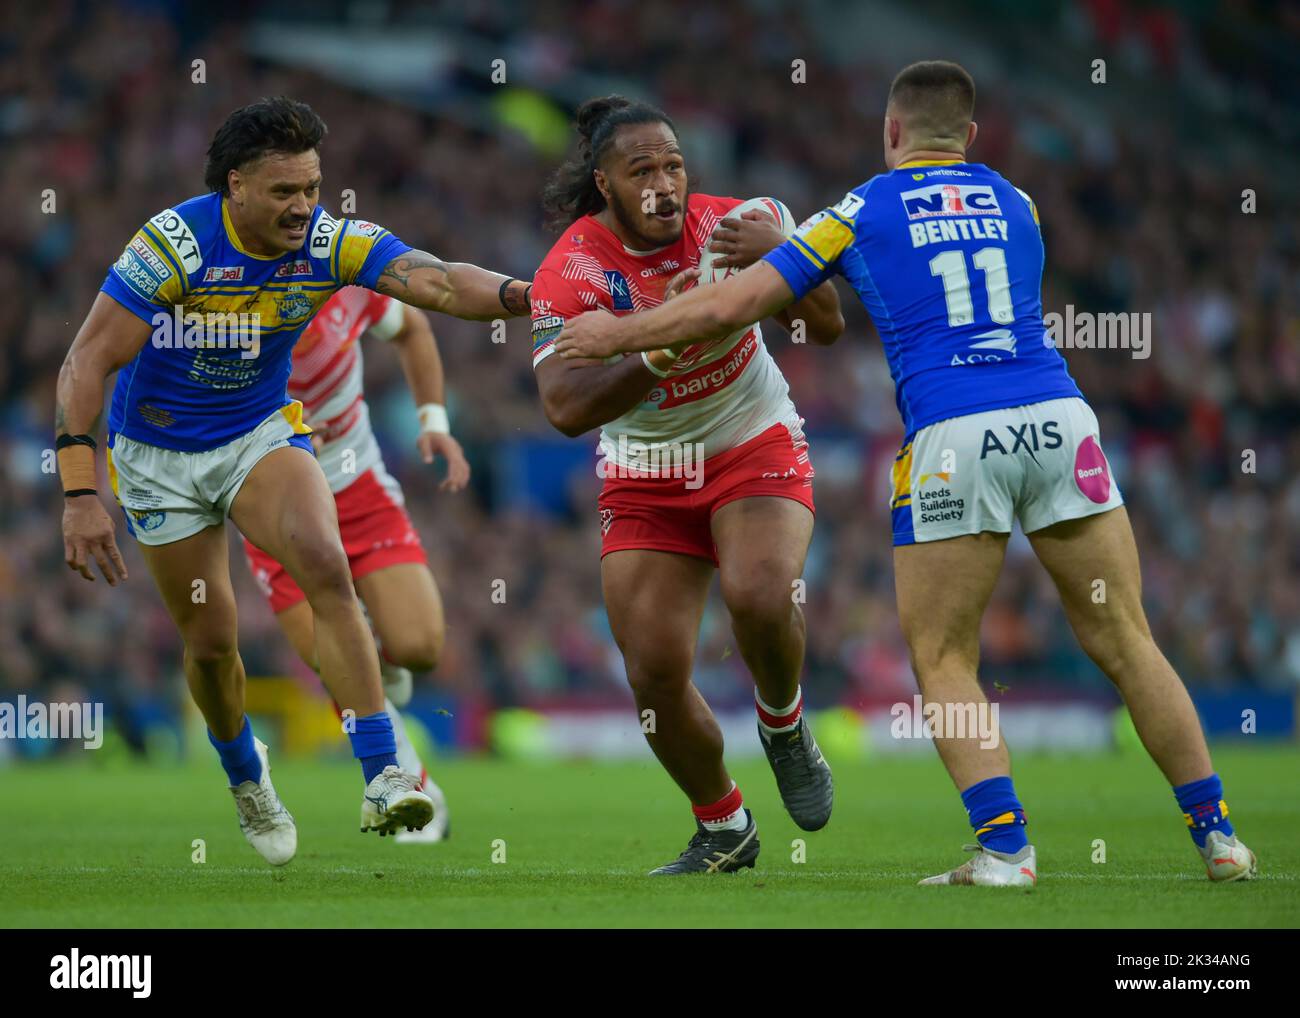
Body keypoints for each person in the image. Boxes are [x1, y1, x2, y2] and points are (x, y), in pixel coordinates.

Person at [554, 64, 1256, 886]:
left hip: (955, 434)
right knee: (1129, 639)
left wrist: (611, 337)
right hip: (1063, 421)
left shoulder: (855, 211)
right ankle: (1218, 837)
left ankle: (1004, 849)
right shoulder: (1019, 202)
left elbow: (726, 308)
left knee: (946, 654)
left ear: (892, 134)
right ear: (971, 136)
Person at [56, 97, 530, 865]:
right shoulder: (172, 246)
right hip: (158, 456)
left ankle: (384, 776)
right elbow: (87, 360)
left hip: (258, 433)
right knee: (212, 647)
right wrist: (80, 492)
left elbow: (437, 285)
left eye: (312, 188)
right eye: (284, 191)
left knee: (324, 561)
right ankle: (247, 777)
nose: (302, 207)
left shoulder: (330, 243)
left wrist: (530, 297)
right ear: (235, 186)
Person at [532, 96, 844, 874]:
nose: (664, 185)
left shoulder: (738, 223)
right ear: (605, 184)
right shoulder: (569, 271)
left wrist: (787, 251)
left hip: (750, 438)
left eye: (673, 165)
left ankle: (783, 725)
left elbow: (829, 323)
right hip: (645, 472)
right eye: (642, 172)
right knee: (653, 673)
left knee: (762, 595)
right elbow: (565, 407)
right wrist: (662, 354)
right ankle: (724, 827)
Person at [242, 286, 468, 844]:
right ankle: (414, 785)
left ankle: (383, 662)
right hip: (275, 504)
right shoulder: (228, 311)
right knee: (332, 658)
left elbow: (413, 327)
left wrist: (432, 419)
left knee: (419, 647)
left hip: (358, 487)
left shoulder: (351, 284)